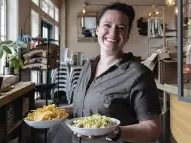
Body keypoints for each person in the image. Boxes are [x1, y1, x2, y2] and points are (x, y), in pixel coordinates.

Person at [47, 2, 162, 143]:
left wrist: (116, 132)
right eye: (107, 25)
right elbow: (82, 105)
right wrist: (54, 112)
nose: (113, 33)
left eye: (121, 28)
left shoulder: (139, 75)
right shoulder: (87, 67)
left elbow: (153, 128)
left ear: (127, 35)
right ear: (96, 29)